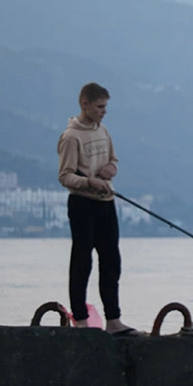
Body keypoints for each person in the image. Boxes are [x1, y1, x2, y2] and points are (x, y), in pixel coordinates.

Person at [58, 82, 142, 336]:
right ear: (85, 104)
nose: (104, 111)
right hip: (82, 205)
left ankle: (113, 321)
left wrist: (110, 170)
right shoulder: (71, 137)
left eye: (106, 106)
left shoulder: (103, 130)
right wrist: (89, 182)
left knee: (111, 262)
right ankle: (81, 320)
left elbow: (113, 160)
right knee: (82, 262)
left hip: (106, 203)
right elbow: (65, 176)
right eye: (100, 106)